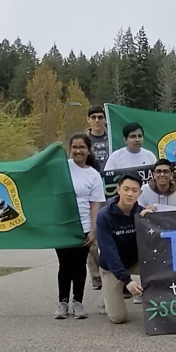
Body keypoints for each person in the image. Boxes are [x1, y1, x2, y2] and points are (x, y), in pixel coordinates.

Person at [53, 134, 106, 319]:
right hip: (62, 226)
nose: (78, 150)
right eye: (74, 147)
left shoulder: (93, 175)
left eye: (82, 147)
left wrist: (93, 230)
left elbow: (95, 205)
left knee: (79, 265)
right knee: (64, 265)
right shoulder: (62, 168)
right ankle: (62, 302)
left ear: (88, 149)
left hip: (82, 226)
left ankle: (78, 302)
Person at [96, 173, 145, 324]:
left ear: (140, 193)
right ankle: (107, 292)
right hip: (111, 266)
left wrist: (151, 221)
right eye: (126, 189)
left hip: (134, 262)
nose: (130, 194)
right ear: (118, 190)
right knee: (118, 318)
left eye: (134, 190)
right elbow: (109, 251)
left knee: (158, 265)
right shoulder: (104, 215)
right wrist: (126, 280)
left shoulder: (141, 212)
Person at [86, 105, 110, 171]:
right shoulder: (83, 140)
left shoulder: (112, 139)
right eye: (93, 117)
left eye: (100, 117)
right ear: (88, 119)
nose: (97, 120)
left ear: (105, 120)